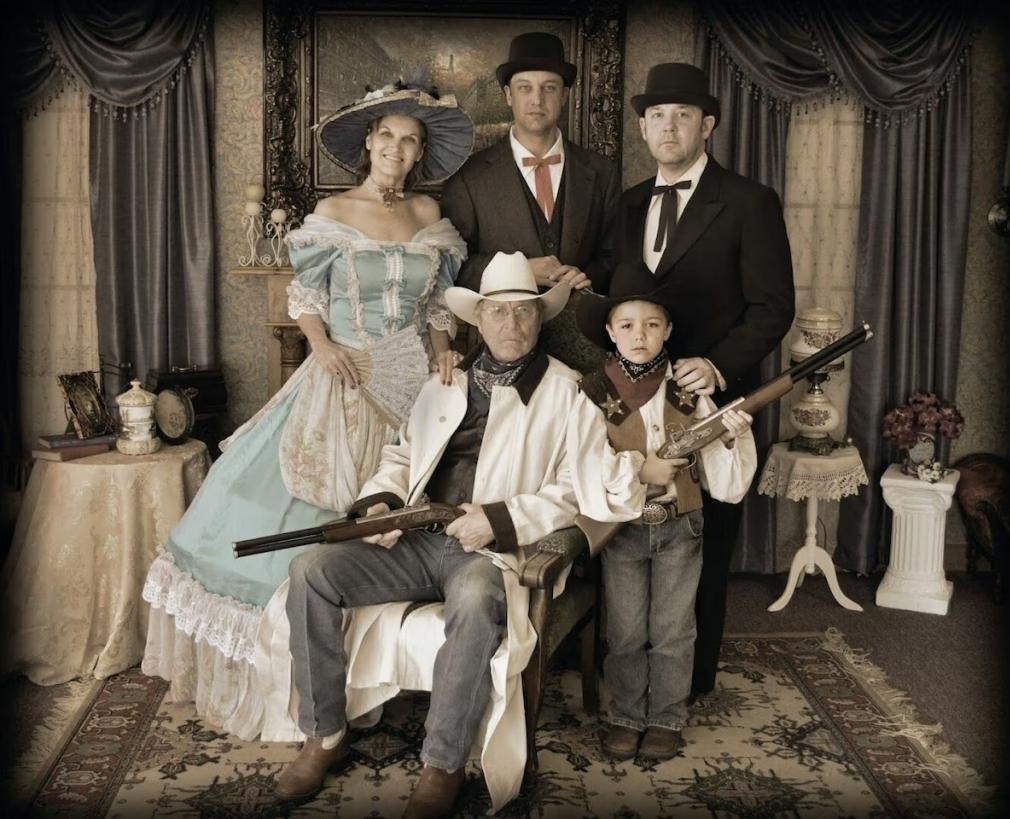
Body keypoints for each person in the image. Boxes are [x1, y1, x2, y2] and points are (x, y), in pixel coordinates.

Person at [140, 83, 473, 737]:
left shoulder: (430, 213)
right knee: (315, 512)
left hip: (411, 388)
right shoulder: (333, 211)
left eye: (410, 141)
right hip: (340, 375)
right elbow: (307, 297)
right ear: (369, 142)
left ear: (419, 152)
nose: (397, 149)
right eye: (387, 136)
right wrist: (320, 347)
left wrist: (442, 354)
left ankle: (381, 673)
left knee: (395, 518)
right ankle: (298, 686)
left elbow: (437, 306)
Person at [274, 251, 639, 818]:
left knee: (473, 597)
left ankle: (442, 763)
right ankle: (324, 735)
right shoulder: (445, 380)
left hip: (491, 551)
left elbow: (576, 489)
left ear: (540, 318)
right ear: (478, 319)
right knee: (311, 571)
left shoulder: (571, 392)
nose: (511, 324)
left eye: (523, 312)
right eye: (497, 312)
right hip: (418, 539)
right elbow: (402, 455)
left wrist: (497, 519)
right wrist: (381, 503)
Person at [614, 63, 795, 698]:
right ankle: (630, 677)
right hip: (638, 401)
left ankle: (689, 684)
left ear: (707, 125)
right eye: (657, 117)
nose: (669, 128)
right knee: (633, 536)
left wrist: (716, 364)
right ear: (643, 128)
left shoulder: (749, 201)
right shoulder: (627, 203)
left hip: (716, 401)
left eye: (683, 116)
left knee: (706, 542)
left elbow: (772, 308)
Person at [572, 262, 756, 761]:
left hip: (682, 526)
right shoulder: (594, 392)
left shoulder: (689, 389)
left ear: (668, 331)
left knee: (675, 630)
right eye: (628, 325)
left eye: (652, 324)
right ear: (610, 330)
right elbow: (585, 464)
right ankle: (626, 714)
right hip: (624, 530)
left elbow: (721, 473)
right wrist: (641, 470)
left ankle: (667, 717)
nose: (640, 335)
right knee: (626, 631)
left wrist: (732, 436)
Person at [442, 31, 620, 369]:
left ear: (564, 95)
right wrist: (521, 270)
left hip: (584, 345)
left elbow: (614, 257)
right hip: (502, 346)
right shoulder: (470, 177)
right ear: (508, 95)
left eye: (549, 88)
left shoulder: (601, 172)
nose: (537, 99)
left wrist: (585, 275)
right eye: (525, 88)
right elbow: (455, 266)